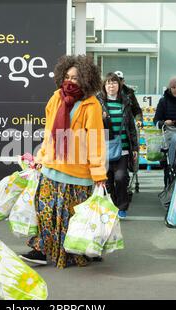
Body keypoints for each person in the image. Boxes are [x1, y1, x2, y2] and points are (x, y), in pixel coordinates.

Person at [19, 55, 107, 269]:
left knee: (73, 219)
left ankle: (79, 250)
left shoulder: (91, 105)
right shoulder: (56, 98)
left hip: (78, 174)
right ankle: (40, 250)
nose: (70, 82)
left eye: (76, 78)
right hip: (51, 168)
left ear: (86, 80)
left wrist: (99, 174)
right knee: (45, 211)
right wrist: (40, 159)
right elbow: (50, 132)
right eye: (67, 77)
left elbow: (96, 141)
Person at [96, 72, 138, 219]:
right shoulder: (98, 102)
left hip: (124, 148)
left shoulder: (125, 101)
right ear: (104, 86)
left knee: (121, 178)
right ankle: (111, 205)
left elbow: (131, 127)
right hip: (104, 147)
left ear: (119, 85)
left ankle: (122, 207)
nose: (111, 85)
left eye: (114, 83)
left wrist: (135, 148)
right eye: (108, 83)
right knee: (106, 180)